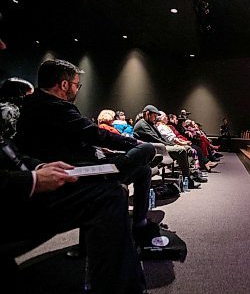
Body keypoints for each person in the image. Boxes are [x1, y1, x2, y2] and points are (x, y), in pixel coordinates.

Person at [14, 59, 165, 255]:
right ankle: (136, 218)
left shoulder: (33, 104)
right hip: (78, 172)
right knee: (147, 150)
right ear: (64, 85)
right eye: (77, 85)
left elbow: (75, 139)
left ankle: (140, 223)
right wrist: (134, 143)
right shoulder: (55, 106)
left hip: (79, 163)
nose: (77, 90)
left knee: (143, 170)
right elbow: (95, 134)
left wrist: (102, 151)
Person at [0, 104, 146, 293]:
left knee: (113, 189)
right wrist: (32, 180)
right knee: (109, 194)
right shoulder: (60, 112)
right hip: (13, 202)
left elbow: (15, 158)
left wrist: (40, 167)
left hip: (26, 188)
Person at [134, 105, 201, 188]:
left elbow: (160, 138)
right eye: (154, 116)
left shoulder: (149, 124)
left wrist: (172, 144)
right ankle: (187, 180)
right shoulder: (142, 124)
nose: (155, 118)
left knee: (186, 148)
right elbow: (156, 139)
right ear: (147, 114)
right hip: (154, 149)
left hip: (159, 146)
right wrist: (172, 145)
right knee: (181, 150)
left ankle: (191, 174)